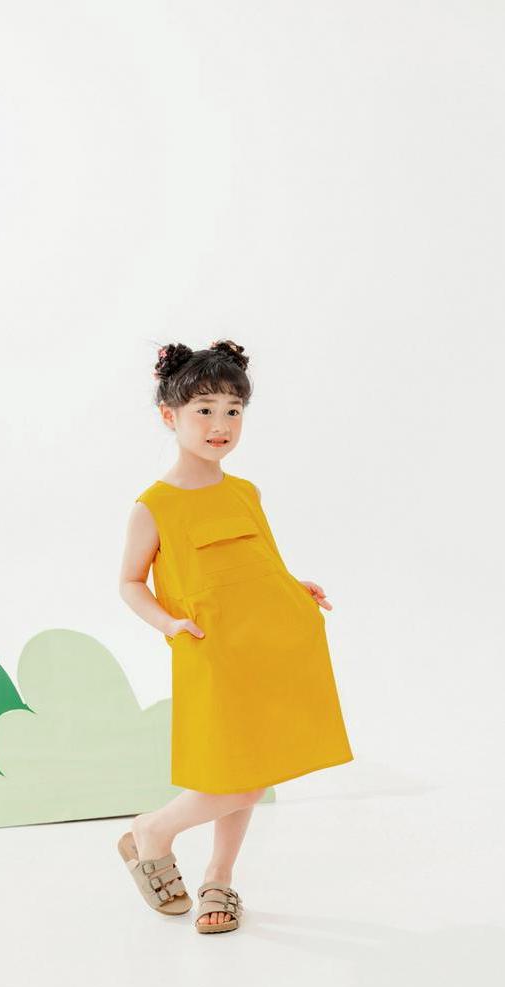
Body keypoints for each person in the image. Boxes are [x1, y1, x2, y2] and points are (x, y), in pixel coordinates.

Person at [116, 339, 354, 934]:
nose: (220, 424)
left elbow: (259, 561)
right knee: (233, 779)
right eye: (204, 410)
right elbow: (129, 582)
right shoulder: (154, 506)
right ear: (169, 416)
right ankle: (153, 830)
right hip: (210, 650)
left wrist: (292, 587)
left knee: (254, 769)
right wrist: (169, 623)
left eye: (232, 410)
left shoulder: (246, 493)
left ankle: (219, 877)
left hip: (266, 645)